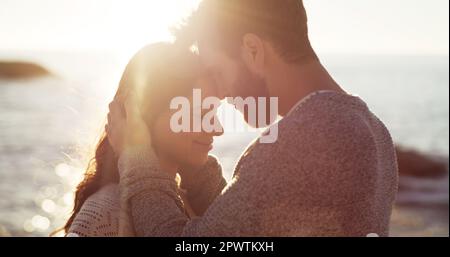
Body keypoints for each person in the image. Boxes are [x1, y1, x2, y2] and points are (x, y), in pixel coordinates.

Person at [106, 0, 399, 236]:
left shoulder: (310, 135)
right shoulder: (374, 132)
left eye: (218, 72)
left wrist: (136, 155)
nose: (219, 93)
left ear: (253, 49)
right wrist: (194, 166)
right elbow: (255, 226)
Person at [64, 43, 225, 236]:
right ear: (141, 113)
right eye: (200, 113)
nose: (218, 128)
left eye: (214, 112)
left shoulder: (187, 203)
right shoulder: (102, 217)